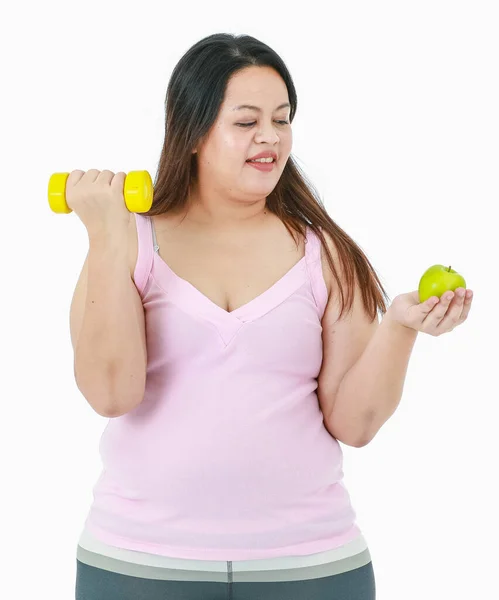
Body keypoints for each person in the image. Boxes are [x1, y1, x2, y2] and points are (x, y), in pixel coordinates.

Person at [71, 32, 387, 600]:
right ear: (193, 132)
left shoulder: (326, 254)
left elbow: (355, 425)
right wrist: (107, 240)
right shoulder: (129, 243)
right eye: (246, 121)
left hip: (310, 567)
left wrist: (405, 330)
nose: (270, 137)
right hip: (138, 565)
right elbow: (111, 393)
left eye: (282, 119)